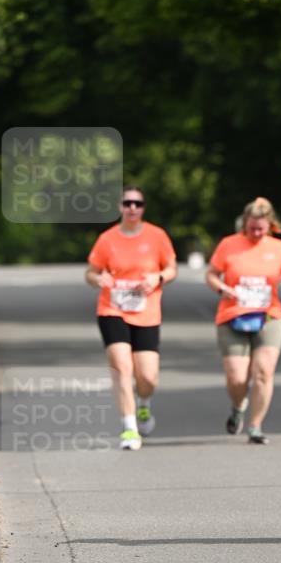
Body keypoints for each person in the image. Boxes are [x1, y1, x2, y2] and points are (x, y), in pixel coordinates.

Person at [85, 186, 177, 451]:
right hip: (112, 310)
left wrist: (157, 277)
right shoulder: (107, 239)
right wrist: (98, 278)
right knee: (122, 369)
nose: (132, 208)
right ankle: (129, 428)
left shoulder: (157, 236)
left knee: (147, 377)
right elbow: (90, 272)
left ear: (143, 207)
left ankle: (144, 404)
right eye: (127, 203)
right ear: (120, 207)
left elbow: (171, 268)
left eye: (137, 204)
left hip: (147, 312)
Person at [206, 197, 281, 444]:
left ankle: (255, 426)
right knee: (237, 378)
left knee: (263, 373)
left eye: (261, 228)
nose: (256, 233)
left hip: (269, 316)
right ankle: (238, 406)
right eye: (252, 228)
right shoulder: (229, 244)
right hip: (232, 315)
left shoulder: (278, 248)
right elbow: (212, 274)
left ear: (270, 225)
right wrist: (222, 288)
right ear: (244, 224)